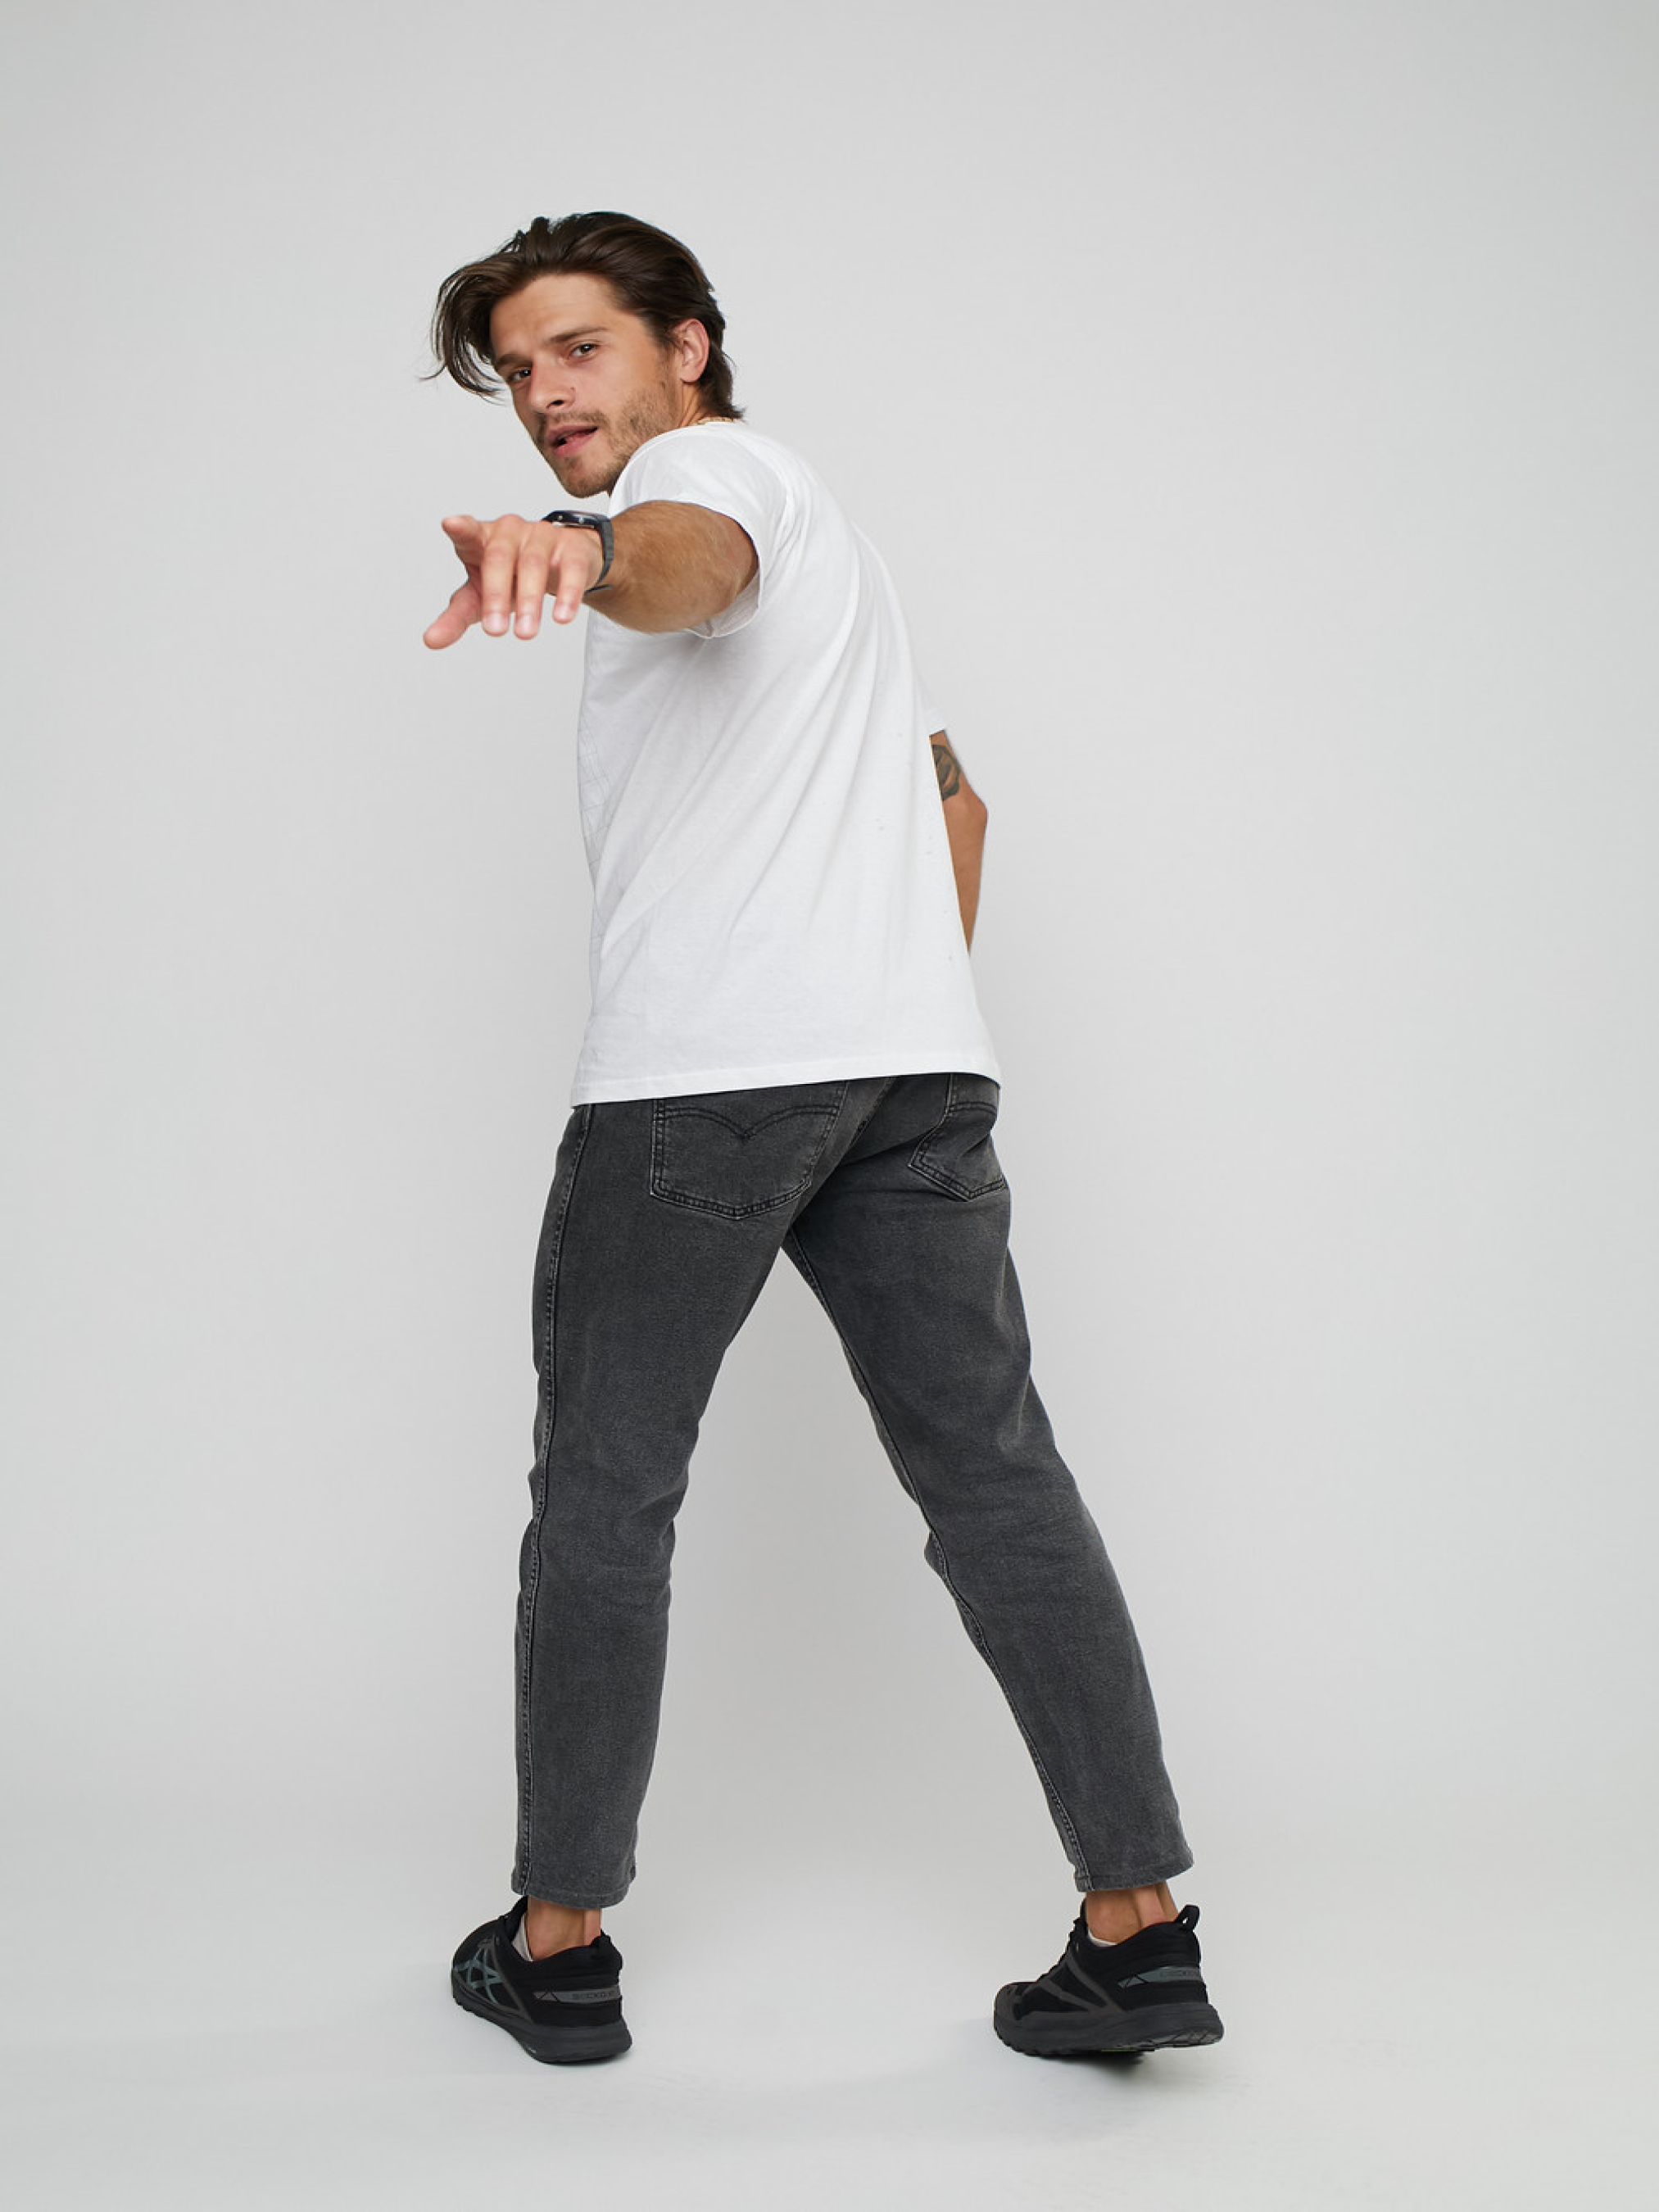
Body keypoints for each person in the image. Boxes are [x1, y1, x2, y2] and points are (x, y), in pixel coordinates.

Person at [424, 211, 1222, 2067]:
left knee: (606, 1496)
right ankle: (1139, 1934)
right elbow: (959, 802)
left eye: (578, 350)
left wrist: (583, 550)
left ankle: (557, 1946)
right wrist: (886, 1001)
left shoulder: (702, 487)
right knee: (997, 1485)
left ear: (685, 346)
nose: (545, 395)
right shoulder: (837, 551)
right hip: (912, 1076)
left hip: (700, 1083)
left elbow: (677, 571)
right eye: (520, 372)